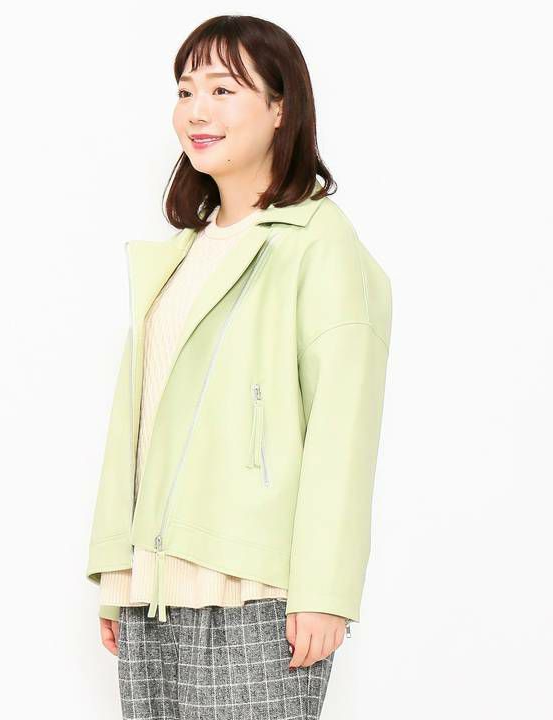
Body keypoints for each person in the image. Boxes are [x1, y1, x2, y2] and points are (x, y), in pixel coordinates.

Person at [86, 14, 392, 720]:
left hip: (258, 591)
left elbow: (343, 432)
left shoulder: (318, 244)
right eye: (185, 90)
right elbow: (138, 421)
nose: (196, 111)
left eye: (223, 90)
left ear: (281, 107)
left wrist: (326, 589)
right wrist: (119, 569)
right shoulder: (178, 257)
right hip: (155, 589)